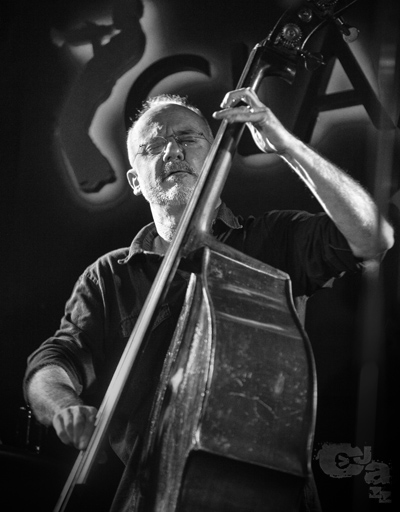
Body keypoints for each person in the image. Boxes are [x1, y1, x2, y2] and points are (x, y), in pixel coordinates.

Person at [23, 87, 394, 512]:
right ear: (135, 182)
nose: (173, 152)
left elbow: (372, 238)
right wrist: (65, 407)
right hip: (149, 498)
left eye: (187, 138)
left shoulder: (272, 241)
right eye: (154, 147)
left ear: (218, 159)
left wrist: (287, 147)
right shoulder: (110, 277)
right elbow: (53, 363)